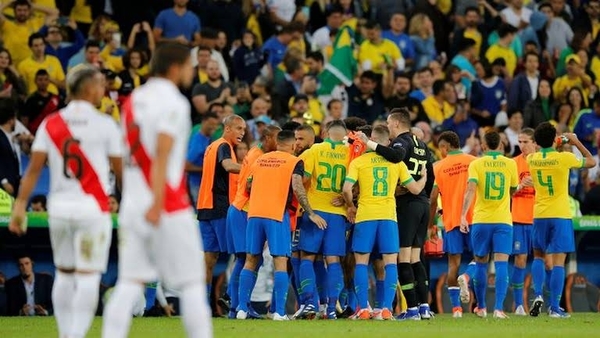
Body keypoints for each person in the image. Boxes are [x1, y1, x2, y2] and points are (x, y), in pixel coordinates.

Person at [101, 43, 212, 338]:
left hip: (134, 203)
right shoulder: (174, 102)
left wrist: (137, 199)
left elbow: (126, 157)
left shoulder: (133, 99)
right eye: (190, 65)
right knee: (191, 283)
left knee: (128, 283)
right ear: (175, 67)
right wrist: (158, 203)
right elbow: (162, 152)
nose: (192, 70)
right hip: (167, 204)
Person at [9, 64, 123, 338]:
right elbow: (122, 173)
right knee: (88, 276)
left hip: (60, 210)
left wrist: (20, 207)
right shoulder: (105, 123)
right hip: (93, 210)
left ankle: (64, 334)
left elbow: (33, 170)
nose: (103, 90)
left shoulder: (51, 123)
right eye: (99, 84)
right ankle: (76, 335)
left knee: (64, 272)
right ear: (87, 88)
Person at [236, 130, 327, 321]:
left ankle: (241, 309)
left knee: (250, 260)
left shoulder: (260, 159)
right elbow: (297, 186)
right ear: (293, 144)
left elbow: (248, 185)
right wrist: (310, 212)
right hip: (276, 214)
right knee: (280, 262)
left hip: (254, 213)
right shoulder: (294, 161)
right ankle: (279, 312)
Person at [342, 125, 427, 320]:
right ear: (388, 142)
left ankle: (363, 309)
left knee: (361, 263)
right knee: (390, 264)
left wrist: (350, 206)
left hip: (365, 216)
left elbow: (347, 188)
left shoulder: (360, 162)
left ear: (371, 139)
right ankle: (386, 309)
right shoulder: (396, 164)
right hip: (389, 217)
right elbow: (414, 189)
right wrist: (423, 177)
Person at [357, 108, 435, 320]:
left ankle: (411, 309)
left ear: (398, 124)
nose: (388, 128)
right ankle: (424, 307)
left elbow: (396, 155)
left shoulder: (403, 141)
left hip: (407, 204)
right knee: (416, 259)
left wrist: (369, 144)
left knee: (402, 257)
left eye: (390, 124)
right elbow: (430, 175)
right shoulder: (423, 144)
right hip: (423, 202)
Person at [527, 123, 596, 318]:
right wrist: (574, 140)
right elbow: (591, 161)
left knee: (539, 256)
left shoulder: (532, 159)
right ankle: (555, 308)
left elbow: (545, 146)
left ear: (537, 141)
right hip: (560, 214)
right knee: (558, 262)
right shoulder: (564, 158)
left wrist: (556, 140)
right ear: (554, 139)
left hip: (540, 214)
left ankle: (538, 294)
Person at [460, 131, 519, 319]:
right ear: (501, 145)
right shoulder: (511, 164)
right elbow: (513, 189)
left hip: (481, 221)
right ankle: (499, 309)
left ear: (484, 146)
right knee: (502, 264)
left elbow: (470, 190)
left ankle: (482, 307)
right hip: (503, 220)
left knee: (480, 265)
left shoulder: (476, 164)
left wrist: (463, 215)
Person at [224, 125, 281, 318]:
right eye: (276, 138)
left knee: (249, 260)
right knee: (245, 259)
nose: (279, 143)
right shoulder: (258, 156)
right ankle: (236, 307)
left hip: (244, 209)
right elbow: (250, 186)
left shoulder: (257, 152)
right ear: (266, 138)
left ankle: (240, 305)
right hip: (243, 209)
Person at [296, 120, 350, 320]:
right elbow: (360, 181)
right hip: (338, 213)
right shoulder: (351, 153)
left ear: (326, 132)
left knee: (307, 258)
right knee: (333, 260)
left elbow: (299, 178)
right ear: (344, 134)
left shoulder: (315, 150)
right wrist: (346, 198)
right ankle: (331, 308)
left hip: (315, 210)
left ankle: (310, 303)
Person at [197, 114, 245, 300]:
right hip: (220, 206)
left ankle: (204, 303)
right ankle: (232, 297)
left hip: (204, 207)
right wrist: (253, 169)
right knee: (241, 253)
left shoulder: (211, 146)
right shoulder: (224, 146)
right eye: (239, 128)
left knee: (209, 259)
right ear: (227, 129)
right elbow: (227, 166)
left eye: (244, 130)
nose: (242, 132)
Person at [429, 131, 477, 318]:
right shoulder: (474, 161)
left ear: (444, 147)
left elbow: (433, 198)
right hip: (474, 218)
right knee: (480, 258)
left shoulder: (438, 166)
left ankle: (456, 309)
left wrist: (431, 224)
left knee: (453, 264)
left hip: (451, 221)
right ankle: (468, 279)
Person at [510, 128, 536, 316]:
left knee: (548, 261)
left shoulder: (543, 163)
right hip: (518, 218)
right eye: (520, 141)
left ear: (535, 143)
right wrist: (519, 186)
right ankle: (519, 304)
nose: (522, 145)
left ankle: (548, 302)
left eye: (526, 142)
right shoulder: (513, 164)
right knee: (520, 259)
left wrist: (537, 184)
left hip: (539, 218)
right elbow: (507, 192)